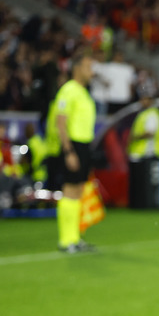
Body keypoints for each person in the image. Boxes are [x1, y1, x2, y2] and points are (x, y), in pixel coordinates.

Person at [47, 52, 98, 253]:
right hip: (73, 145)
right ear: (77, 68)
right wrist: (68, 151)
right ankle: (65, 240)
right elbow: (61, 121)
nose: (91, 71)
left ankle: (75, 238)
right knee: (69, 189)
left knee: (78, 191)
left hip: (84, 144)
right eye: (88, 66)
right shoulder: (68, 90)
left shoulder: (83, 92)